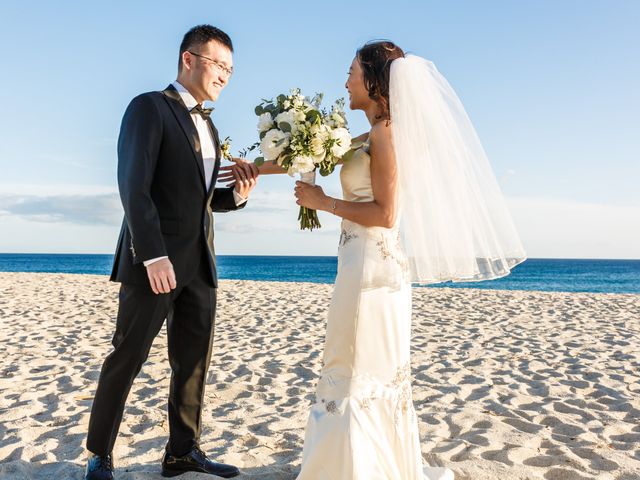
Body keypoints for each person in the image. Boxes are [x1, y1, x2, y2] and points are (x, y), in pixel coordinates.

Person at [222, 40, 525, 479]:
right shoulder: (370, 132)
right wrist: (248, 166)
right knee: (351, 360)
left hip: (373, 269)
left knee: (357, 363)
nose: (345, 81)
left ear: (373, 80)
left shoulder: (387, 134)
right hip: (356, 261)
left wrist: (323, 202)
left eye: (351, 72)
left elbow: (386, 214)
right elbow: (311, 157)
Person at [84, 25, 258, 480]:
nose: (224, 74)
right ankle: (99, 455)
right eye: (218, 63)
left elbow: (200, 199)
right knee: (127, 356)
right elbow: (133, 187)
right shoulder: (149, 107)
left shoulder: (212, 124)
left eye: (230, 69)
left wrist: (237, 195)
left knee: (193, 362)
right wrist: (153, 254)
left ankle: (182, 451)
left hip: (201, 264)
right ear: (188, 58)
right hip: (154, 263)